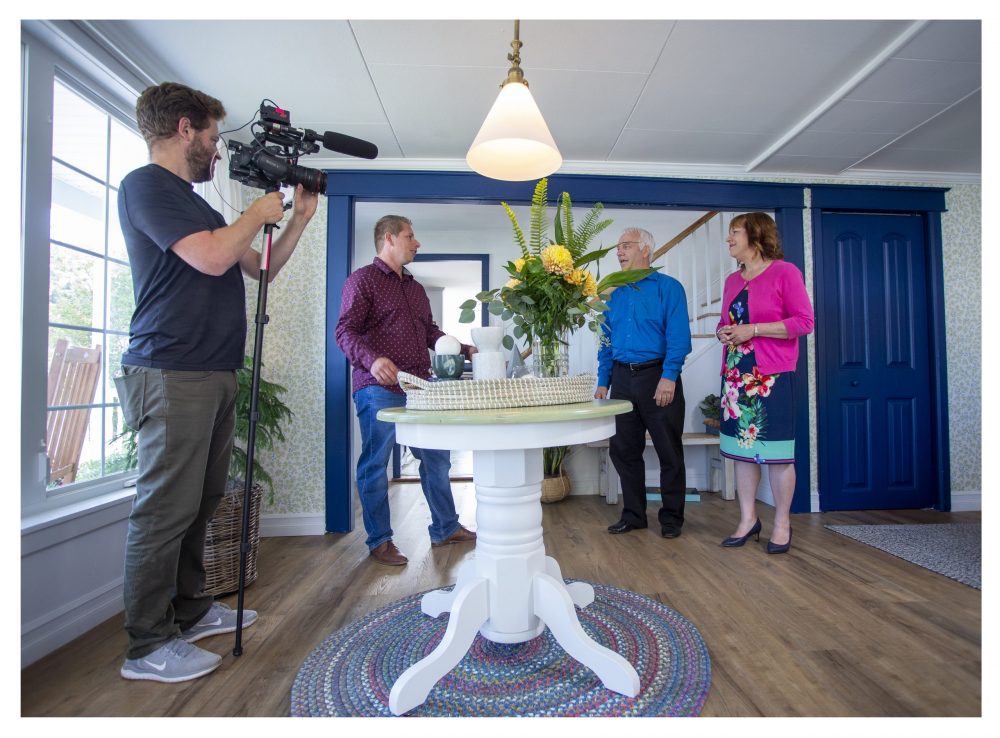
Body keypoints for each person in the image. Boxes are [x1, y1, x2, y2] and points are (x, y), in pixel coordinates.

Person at [114, 82, 318, 683]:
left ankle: (190, 608)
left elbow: (262, 270)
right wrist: (255, 212)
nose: (215, 148)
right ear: (184, 128)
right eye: (210, 135)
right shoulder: (145, 186)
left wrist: (297, 221)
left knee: (201, 503)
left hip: (215, 369)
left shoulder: (197, 204)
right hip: (171, 370)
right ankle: (146, 645)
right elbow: (207, 258)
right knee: (163, 510)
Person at [335, 215, 477, 566]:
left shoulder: (414, 288)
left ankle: (445, 527)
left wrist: (463, 348)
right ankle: (380, 540)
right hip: (378, 387)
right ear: (389, 239)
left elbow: (430, 332)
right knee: (375, 464)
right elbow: (345, 331)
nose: (417, 243)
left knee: (436, 458)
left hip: (420, 387)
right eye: (410, 236)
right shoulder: (362, 281)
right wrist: (371, 360)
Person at [716, 212, 814, 554]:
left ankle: (782, 524)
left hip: (770, 376)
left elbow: (804, 322)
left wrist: (753, 330)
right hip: (734, 376)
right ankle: (747, 520)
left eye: (735, 233)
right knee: (743, 454)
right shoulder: (731, 280)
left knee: (777, 455)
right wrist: (724, 332)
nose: (729, 239)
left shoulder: (785, 272)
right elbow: (725, 322)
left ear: (756, 235)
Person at [595, 228, 692, 538]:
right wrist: (603, 380)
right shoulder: (612, 292)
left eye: (627, 245)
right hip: (622, 378)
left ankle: (672, 519)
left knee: (669, 451)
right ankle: (634, 515)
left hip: (658, 375)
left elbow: (678, 337)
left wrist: (669, 376)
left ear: (647, 250)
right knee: (623, 450)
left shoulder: (668, 288)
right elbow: (605, 340)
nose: (619, 251)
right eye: (618, 247)